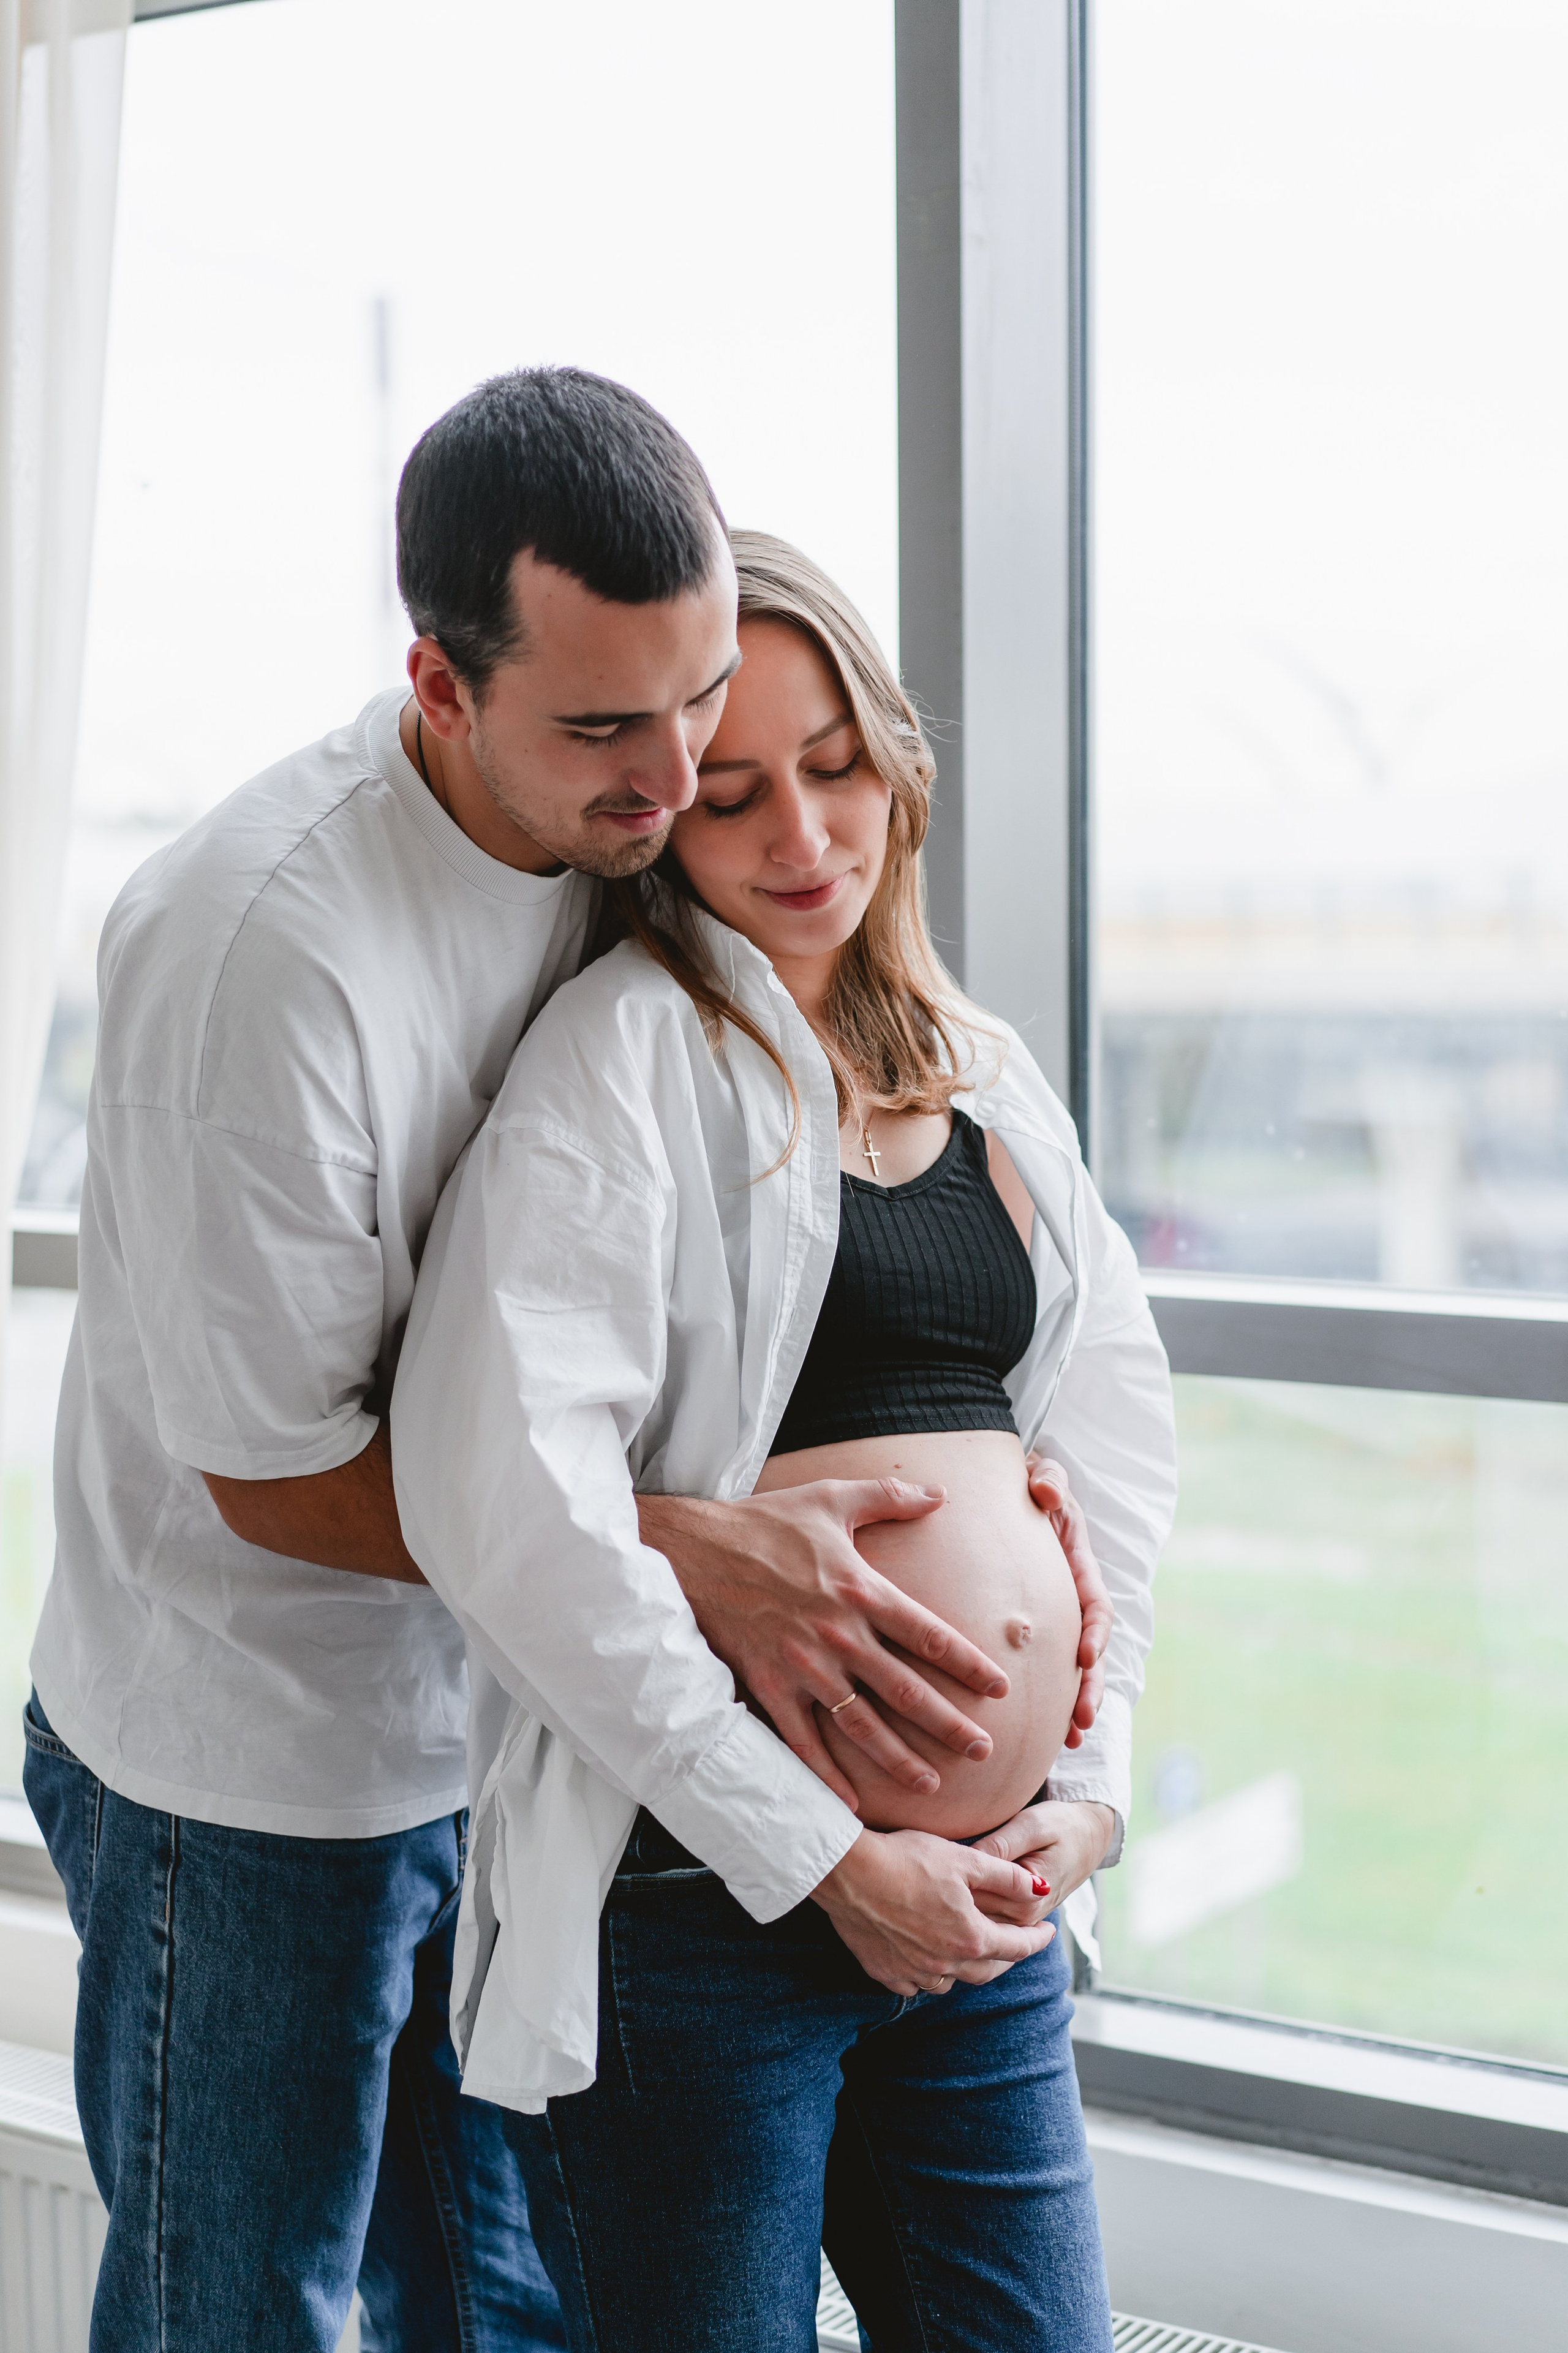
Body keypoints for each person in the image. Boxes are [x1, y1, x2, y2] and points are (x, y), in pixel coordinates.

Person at [22, 371, 1113, 2353]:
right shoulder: (262, 948)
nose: (682, 777)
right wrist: (692, 1550)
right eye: (612, 730)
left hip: (526, 1733)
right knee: (240, 2306)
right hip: (258, 1744)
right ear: (442, 689)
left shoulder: (633, 842)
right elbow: (273, 1475)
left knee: (497, 2312)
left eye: (697, 700)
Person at [391, 532, 1178, 2350]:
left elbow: (1114, 1456)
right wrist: (824, 1857)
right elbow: (510, 1504)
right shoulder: (620, 1058)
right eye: (734, 795)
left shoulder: (987, 1074)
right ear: (662, 817)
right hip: (705, 1913)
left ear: (896, 757)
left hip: (981, 1920)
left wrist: (1090, 1783)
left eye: (835, 767)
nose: (805, 836)